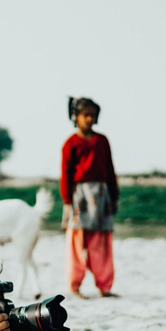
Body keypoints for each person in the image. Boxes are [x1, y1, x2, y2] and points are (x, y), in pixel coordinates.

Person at [61, 97, 119, 299]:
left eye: (93, 116)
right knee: (77, 243)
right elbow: (66, 174)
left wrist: (114, 196)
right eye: (87, 115)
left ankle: (105, 287)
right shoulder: (70, 144)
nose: (90, 119)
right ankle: (74, 286)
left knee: (101, 243)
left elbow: (110, 170)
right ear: (76, 117)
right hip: (79, 197)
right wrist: (67, 200)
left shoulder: (102, 141)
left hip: (102, 196)